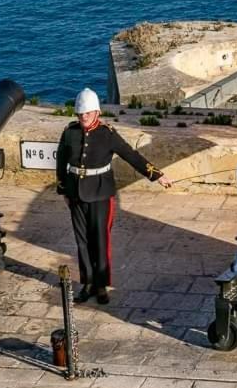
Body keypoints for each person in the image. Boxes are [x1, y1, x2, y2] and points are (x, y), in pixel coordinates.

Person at [56, 87, 172, 304]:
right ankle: (88, 283)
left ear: (97, 113)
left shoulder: (107, 134)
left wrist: (157, 175)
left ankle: (101, 285)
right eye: (80, 114)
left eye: (87, 114)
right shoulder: (69, 132)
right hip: (76, 193)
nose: (83, 118)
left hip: (101, 194)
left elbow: (131, 155)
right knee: (82, 242)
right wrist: (63, 189)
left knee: (100, 241)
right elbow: (61, 161)